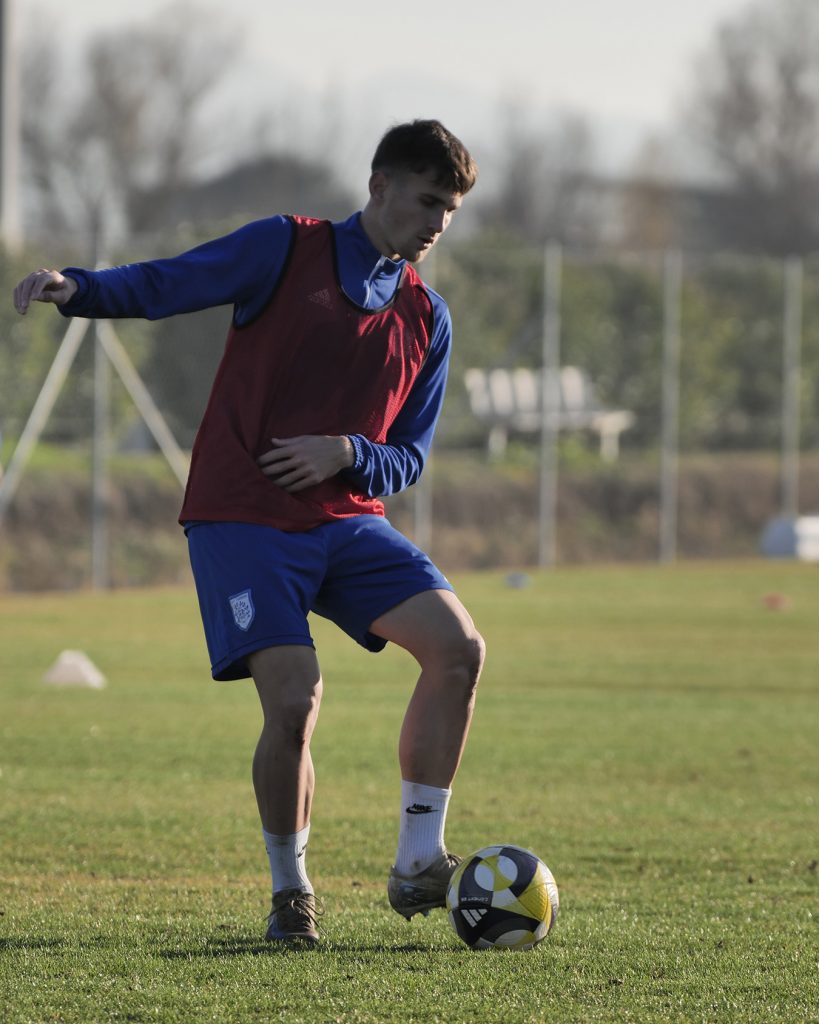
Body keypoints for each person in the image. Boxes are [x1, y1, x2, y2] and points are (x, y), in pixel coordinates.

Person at [13, 119, 484, 947]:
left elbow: (407, 456)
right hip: (242, 517)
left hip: (348, 522)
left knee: (459, 649)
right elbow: (172, 280)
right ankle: (291, 891)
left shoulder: (426, 316)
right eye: (426, 202)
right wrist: (78, 287)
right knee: (296, 699)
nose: (437, 223)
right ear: (378, 187)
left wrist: (348, 452)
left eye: (449, 209)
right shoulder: (284, 248)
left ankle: (419, 859)